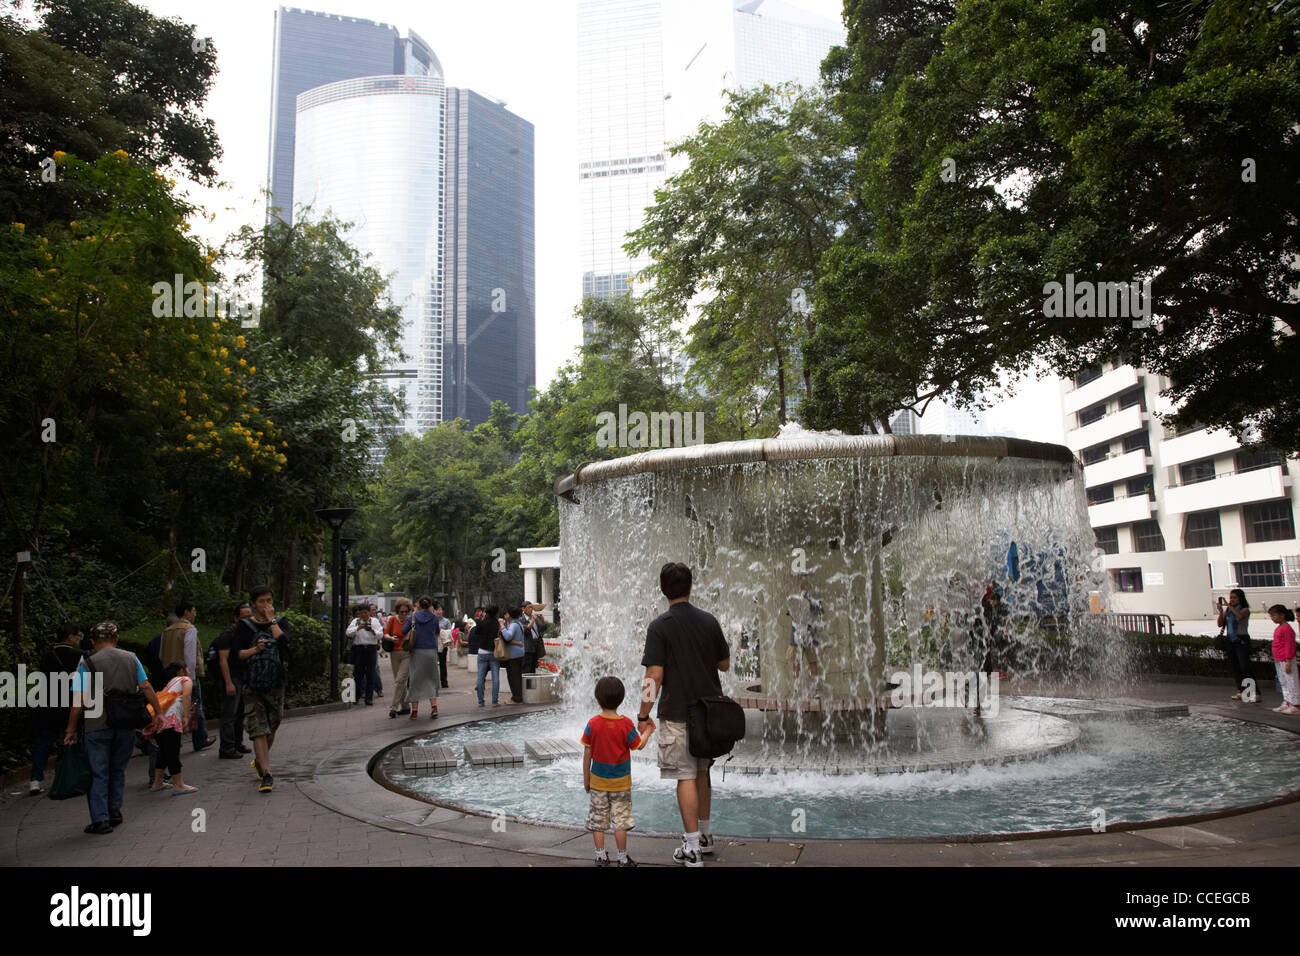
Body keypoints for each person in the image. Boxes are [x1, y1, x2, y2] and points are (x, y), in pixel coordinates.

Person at [637, 562, 730, 867]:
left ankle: (691, 848)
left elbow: (654, 674)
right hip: (709, 713)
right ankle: (703, 836)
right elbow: (725, 664)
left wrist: (643, 714)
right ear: (691, 586)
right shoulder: (709, 621)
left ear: (664, 590)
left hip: (677, 713)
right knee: (702, 772)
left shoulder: (660, 626)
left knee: (686, 776)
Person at [63, 622, 165, 834]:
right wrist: (158, 713)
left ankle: (100, 819)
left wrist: (70, 729)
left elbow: (78, 700)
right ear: (116, 639)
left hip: (96, 723)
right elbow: (145, 687)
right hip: (126, 722)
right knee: (118, 770)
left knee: (98, 772)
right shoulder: (131, 657)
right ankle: (115, 811)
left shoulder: (87, 661)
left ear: (93, 641)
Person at [582, 676, 655, 867]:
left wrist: (586, 779)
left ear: (597, 700)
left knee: (598, 821)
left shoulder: (593, 723)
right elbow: (638, 745)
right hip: (621, 783)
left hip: (598, 782)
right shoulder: (626, 724)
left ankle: (600, 856)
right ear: (621, 699)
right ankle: (622, 858)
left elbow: (587, 753)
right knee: (620, 822)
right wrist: (648, 731)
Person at [232, 586, 291, 793]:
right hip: (252, 685)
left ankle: (260, 761)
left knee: (272, 725)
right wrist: (255, 649)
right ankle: (266, 774)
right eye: (261, 602)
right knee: (258, 729)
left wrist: (272, 621)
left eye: (269, 600)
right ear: (254, 604)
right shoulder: (244, 626)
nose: (266, 605)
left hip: (275, 683)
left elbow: (285, 643)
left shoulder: (281, 622)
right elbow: (237, 655)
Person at [29, 622, 84, 794]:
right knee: (73, 738)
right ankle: (70, 775)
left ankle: (35, 779)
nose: (79, 639)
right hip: (70, 704)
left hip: (49, 703)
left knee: (43, 741)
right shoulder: (79, 656)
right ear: (70, 637)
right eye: (78, 636)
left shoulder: (47, 655)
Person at [161, 601, 213, 752]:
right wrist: (191, 677)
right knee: (196, 706)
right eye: (194, 610)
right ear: (186, 612)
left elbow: (161, 654)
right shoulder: (189, 629)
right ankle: (200, 739)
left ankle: (172, 741)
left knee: (171, 708)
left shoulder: (167, 631)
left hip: (169, 676)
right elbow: (189, 656)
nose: (195, 614)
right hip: (185, 675)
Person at [143, 663, 200, 795]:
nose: (189, 671)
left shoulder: (170, 683)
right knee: (172, 752)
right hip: (171, 720)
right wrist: (186, 715)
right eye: (187, 668)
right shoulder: (185, 680)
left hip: (159, 720)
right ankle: (178, 784)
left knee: (163, 751)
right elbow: (186, 696)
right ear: (181, 671)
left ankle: (157, 782)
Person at [213, 602, 254, 758]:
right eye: (244, 617)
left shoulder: (246, 634)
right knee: (229, 714)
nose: (248, 619)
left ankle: (237, 743)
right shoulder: (227, 635)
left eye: (250, 616)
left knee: (240, 713)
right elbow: (223, 660)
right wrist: (229, 683)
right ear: (236, 618)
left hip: (242, 678)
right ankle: (227, 748)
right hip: (231, 679)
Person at [402, 596, 441, 719]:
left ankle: (415, 711)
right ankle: (434, 708)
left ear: (418, 604)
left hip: (417, 651)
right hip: (431, 651)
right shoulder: (434, 617)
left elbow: (404, 630)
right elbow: (437, 631)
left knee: (415, 680)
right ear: (430, 605)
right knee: (432, 678)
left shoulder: (413, 616)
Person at [1217, 589, 1254, 700]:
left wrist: (1229, 606)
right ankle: (1241, 690)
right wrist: (1221, 611)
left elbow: (1240, 617)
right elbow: (1220, 624)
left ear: (1240, 598)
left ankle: (1253, 691)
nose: (1232, 600)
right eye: (1230, 598)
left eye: (1234, 598)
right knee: (1235, 666)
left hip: (1241, 639)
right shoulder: (1228, 610)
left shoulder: (1244, 609)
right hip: (1230, 640)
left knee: (1245, 666)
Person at [785, 576, 824, 680]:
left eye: (807, 587)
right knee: (798, 663)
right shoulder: (796, 599)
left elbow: (820, 613)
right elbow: (790, 613)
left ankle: (813, 689)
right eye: (804, 587)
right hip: (798, 636)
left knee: (812, 662)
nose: (805, 590)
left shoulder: (813, 601)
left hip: (808, 636)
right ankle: (797, 688)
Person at [346, 604, 381, 706]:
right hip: (359, 649)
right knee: (358, 674)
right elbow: (348, 633)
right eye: (362, 613)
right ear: (359, 613)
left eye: (366, 612)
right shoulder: (355, 621)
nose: (364, 615)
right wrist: (358, 628)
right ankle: (356, 696)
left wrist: (372, 630)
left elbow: (380, 634)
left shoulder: (374, 621)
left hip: (371, 648)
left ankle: (369, 698)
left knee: (370, 674)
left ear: (369, 612)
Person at [1266, 605, 1299, 715]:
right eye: (1271, 616)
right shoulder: (1280, 627)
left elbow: (1290, 645)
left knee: (1291, 681)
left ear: (1282, 615)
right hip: (1279, 659)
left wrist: (1288, 661)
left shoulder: (1286, 628)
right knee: (1284, 682)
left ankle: (1295, 704)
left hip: (1286, 660)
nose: (1272, 618)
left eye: (1274, 615)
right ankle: (1288, 701)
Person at [386, 598, 413, 718]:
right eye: (401, 611)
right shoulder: (392, 620)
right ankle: (406, 706)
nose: (403, 614)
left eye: (406, 611)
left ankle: (393, 707)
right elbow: (385, 633)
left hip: (407, 653)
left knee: (400, 680)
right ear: (397, 610)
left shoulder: (410, 621)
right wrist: (391, 638)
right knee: (399, 681)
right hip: (394, 653)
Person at [473, 604, 502, 707]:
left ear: (486, 612)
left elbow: (476, 632)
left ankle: (481, 701)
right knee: (495, 677)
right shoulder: (496, 623)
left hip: (482, 651)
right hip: (493, 652)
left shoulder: (482, 622)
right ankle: (494, 701)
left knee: (480, 677)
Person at [500, 606, 526, 704]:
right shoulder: (518, 623)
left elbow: (508, 636)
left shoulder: (513, 625)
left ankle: (516, 698)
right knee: (517, 676)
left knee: (513, 677)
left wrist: (502, 626)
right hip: (519, 653)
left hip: (513, 655)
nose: (505, 615)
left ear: (510, 615)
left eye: (506, 613)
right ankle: (517, 697)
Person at [369, 602, 384, 697]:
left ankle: (378, 688)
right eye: (372, 610)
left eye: (375, 609)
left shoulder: (375, 620)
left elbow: (380, 632)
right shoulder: (361, 620)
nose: (374, 611)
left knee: (375, 668)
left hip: (373, 646)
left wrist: (379, 642)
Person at [438, 616, 453, 689]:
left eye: (440, 610)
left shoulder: (446, 621)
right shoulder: (432, 619)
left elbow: (450, 631)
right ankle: (434, 682)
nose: (439, 611)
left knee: (443, 663)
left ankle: (444, 681)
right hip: (434, 644)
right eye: (438, 610)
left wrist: (442, 632)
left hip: (443, 644)